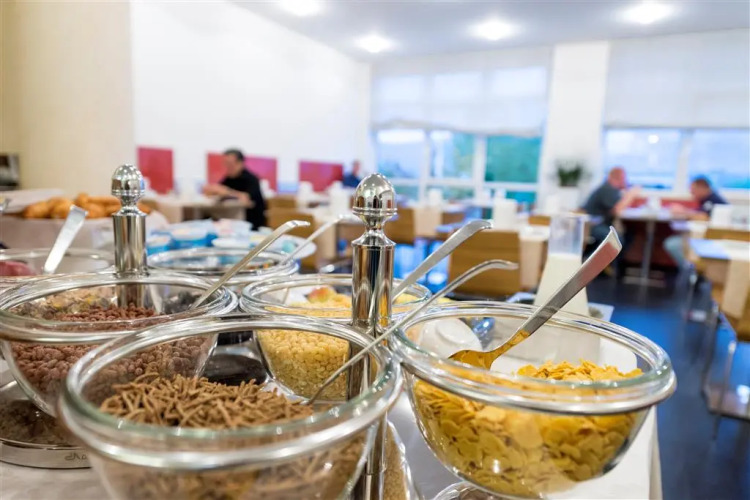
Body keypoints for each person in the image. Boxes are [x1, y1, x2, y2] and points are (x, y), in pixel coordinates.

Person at [663, 176, 728, 269]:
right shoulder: (706, 200)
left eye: (693, 190)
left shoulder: (713, 200)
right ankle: (689, 271)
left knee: (672, 244)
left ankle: (690, 271)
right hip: (704, 237)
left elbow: (704, 217)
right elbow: (700, 213)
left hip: (709, 240)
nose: (692, 193)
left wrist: (683, 211)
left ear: (702, 188)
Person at [203, 149, 267, 229]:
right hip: (230, 220)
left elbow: (247, 200)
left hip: (251, 223)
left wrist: (227, 192)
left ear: (240, 163)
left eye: (230, 164)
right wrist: (212, 190)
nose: (227, 167)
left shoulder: (251, 179)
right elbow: (219, 189)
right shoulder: (229, 178)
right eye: (225, 164)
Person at [582, 166, 641, 246]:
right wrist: (631, 194)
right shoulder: (608, 189)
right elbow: (617, 209)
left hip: (597, 224)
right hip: (593, 225)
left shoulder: (611, 189)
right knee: (617, 240)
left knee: (629, 233)